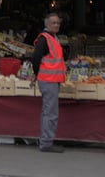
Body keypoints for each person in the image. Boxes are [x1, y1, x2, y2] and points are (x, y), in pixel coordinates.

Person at [29, 12, 66, 153]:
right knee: (50, 113)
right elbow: (36, 58)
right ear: (47, 24)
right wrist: (37, 74)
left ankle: (46, 140)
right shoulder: (45, 39)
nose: (56, 25)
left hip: (52, 80)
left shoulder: (53, 38)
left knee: (48, 112)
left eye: (58, 23)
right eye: (53, 23)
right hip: (48, 80)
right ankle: (46, 143)